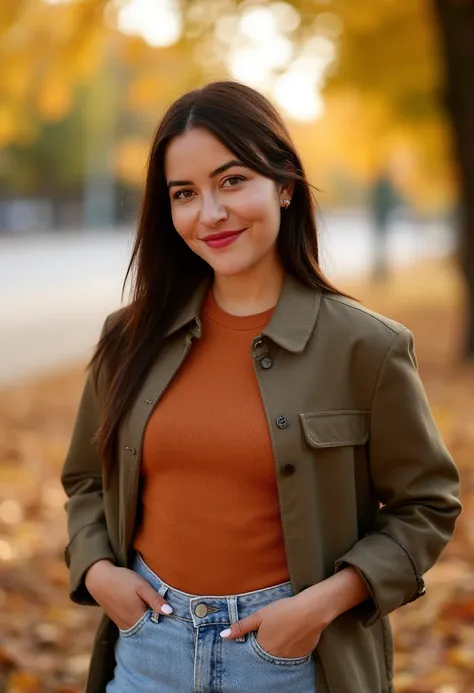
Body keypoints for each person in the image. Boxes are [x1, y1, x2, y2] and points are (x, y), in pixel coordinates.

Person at [61, 80, 461, 693]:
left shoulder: (367, 348)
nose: (210, 214)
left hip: (292, 660)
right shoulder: (128, 339)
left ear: (284, 184)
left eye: (232, 180)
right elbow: (87, 479)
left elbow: (426, 506)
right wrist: (96, 572)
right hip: (147, 651)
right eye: (185, 193)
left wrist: (320, 605)